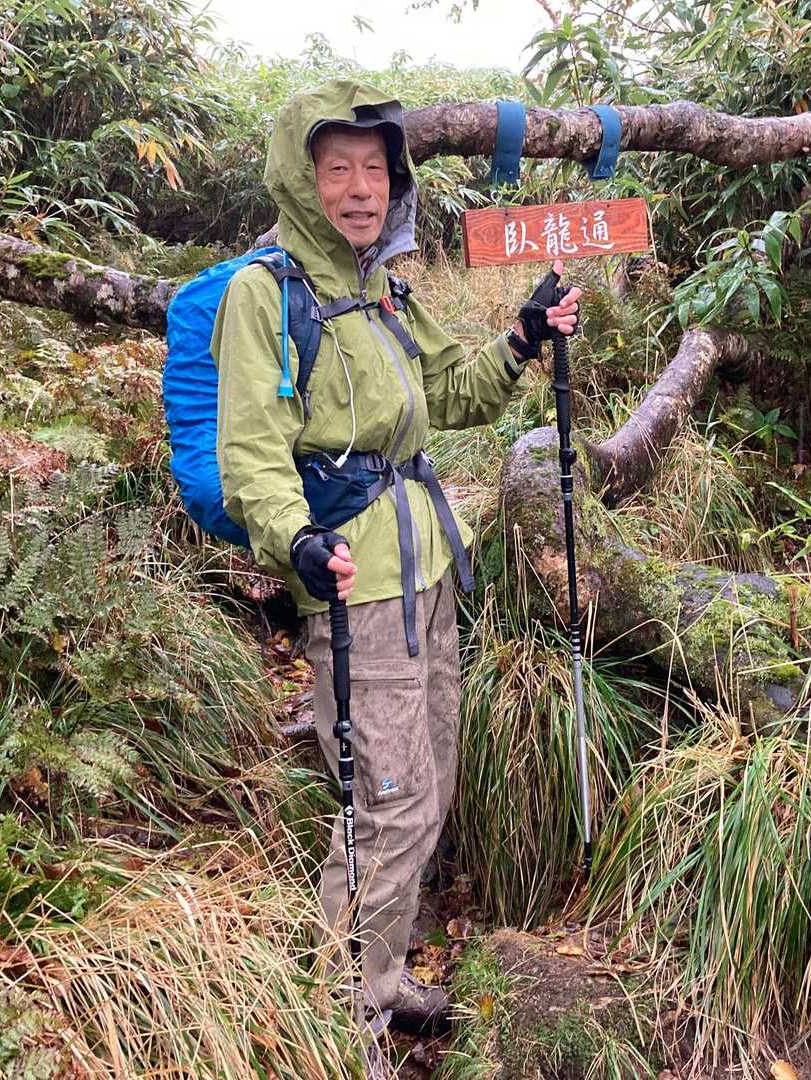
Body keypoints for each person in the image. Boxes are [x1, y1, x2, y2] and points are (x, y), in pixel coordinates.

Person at [212, 79, 579, 1054]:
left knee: (431, 780)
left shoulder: (385, 292)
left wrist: (521, 338)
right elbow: (251, 451)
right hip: (353, 584)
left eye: (374, 169)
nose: (360, 188)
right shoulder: (265, 296)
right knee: (386, 803)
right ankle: (342, 1018)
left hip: (426, 574)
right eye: (337, 169)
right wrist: (295, 539)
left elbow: (450, 396)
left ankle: (379, 974)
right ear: (302, 179)